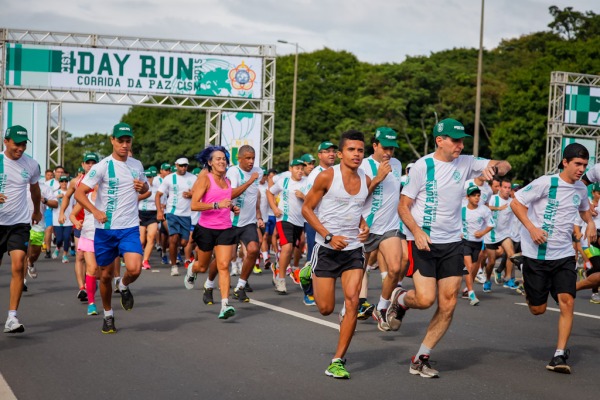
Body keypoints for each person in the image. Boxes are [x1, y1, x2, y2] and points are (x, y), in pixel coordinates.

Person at [389, 118, 510, 378]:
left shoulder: (465, 162)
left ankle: (421, 357)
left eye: (462, 140)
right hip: (424, 241)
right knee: (425, 299)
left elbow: (504, 164)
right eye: (455, 140)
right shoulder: (423, 166)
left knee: (449, 303)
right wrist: (417, 231)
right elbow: (403, 205)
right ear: (439, 140)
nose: (460, 145)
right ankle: (400, 299)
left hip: (453, 242)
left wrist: (496, 170)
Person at [511, 143, 594, 374]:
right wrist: (531, 228)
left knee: (567, 301)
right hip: (536, 254)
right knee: (538, 310)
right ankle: (528, 283)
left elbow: (584, 208)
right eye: (577, 164)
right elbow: (516, 203)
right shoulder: (545, 183)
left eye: (585, 166)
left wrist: (590, 223)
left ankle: (559, 355)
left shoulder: (580, 190)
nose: (581, 169)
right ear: (565, 162)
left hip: (564, 255)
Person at [302, 129, 370, 379]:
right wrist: (329, 236)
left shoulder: (366, 178)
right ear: (340, 154)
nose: (356, 154)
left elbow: (357, 208)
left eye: (360, 150)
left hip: (353, 250)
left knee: (353, 302)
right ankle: (307, 273)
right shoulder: (327, 177)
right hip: (327, 249)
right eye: (351, 150)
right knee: (326, 309)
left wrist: (364, 225)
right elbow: (307, 210)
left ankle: (338, 360)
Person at [75, 122, 149, 334]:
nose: (125, 145)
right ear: (113, 141)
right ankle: (108, 315)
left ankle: (123, 285)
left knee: (134, 268)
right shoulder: (102, 166)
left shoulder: (137, 165)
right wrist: (95, 212)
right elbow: (80, 193)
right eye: (121, 141)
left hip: (129, 227)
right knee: (105, 275)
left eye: (128, 141)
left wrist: (143, 187)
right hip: (106, 229)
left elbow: (147, 190)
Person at [359, 127, 403, 331]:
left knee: (395, 269)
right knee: (358, 274)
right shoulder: (363, 165)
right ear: (375, 145)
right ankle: (348, 310)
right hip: (365, 226)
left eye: (392, 149)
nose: (389, 153)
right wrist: (378, 178)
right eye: (385, 147)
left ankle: (382, 308)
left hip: (389, 227)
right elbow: (358, 197)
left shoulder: (397, 164)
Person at [189, 146, 240, 319]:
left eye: (224, 158)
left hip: (225, 228)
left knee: (224, 265)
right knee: (202, 267)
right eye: (217, 159)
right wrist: (217, 205)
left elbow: (225, 201)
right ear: (210, 163)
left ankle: (225, 305)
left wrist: (232, 207)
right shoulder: (205, 179)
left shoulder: (228, 182)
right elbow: (194, 205)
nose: (222, 161)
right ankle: (192, 268)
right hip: (206, 229)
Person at [1, 125, 42, 333]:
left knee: (18, 265)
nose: (21, 148)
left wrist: (36, 211)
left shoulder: (32, 165)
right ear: (6, 141)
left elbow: (35, 189)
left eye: (24, 144)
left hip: (19, 223)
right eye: (17, 143)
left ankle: (12, 318)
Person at [299, 141, 338, 304]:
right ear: (319, 155)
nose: (331, 154)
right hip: (315, 222)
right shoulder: (316, 174)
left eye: (333, 151)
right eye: (326, 151)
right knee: (313, 259)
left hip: (332, 222)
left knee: (330, 258)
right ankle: (308, 290)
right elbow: (308, 200)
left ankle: (321, 289)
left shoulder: (336, 172)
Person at [58, 152, 100, 300]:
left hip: (99, 223)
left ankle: (92, 278)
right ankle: (82, 287)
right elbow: (67, 197)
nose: (90, 165)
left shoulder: (101, 181)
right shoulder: (76, 181)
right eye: (87, 163)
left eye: (93, 163)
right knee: (80, 255)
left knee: (97, 263)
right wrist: (62, 212)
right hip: (81, 222)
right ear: (83, 165)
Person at [224, 145, 262, 302]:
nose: (251, 161)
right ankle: (209, 282)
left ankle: (240, 286)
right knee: (226, 258)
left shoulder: (258, 172)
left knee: (253, 250)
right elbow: (231, 193)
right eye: (247, 158)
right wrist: (249, 181)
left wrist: (258, 215)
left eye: (253, 158)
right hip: (230, 221)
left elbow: (256, 196)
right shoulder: (233, 171)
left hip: (248, 222)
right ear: (239, 159)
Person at [267, 158, 308, 295]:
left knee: (290, 250)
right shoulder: (284, 181)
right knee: (287, 247)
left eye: (302, 168)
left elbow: (314, 201)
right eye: (297, 168)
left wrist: (303, 196)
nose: (300, 171)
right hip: (284, 218)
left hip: (299, 221)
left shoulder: (307, 183)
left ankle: (278, 266)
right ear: (291, 169)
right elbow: (269, 192)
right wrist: (274, 208)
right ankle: (281, 279)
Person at [156, 157, 197, 277]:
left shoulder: (193, 178)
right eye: (181, 165)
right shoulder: (169, 178)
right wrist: (159, 211)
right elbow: (158, 195)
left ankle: (177, 251)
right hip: (172, 212)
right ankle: (174, 266)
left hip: (186, 215)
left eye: (185, 166)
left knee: (184, 242)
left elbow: (201, 193)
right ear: (176, 165)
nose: (183, 168)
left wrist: (192, 194)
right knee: (173, 238)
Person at [461, 186, 495, 305]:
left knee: (474, 269)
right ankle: (471, 294)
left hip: (477, 243)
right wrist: (458, 232)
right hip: (464, 241)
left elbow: (491, 224)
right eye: (474, 195)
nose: (476, 198)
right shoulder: (462, 209)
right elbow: (454, 221)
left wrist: (482, 233)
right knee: (469, 267)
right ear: (467, 197)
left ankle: (467, 289)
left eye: (478, 195)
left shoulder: (484, 210)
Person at [483, 178, 519, 291]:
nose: (507, 190)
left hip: (505, 234)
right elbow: (485, 207)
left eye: (509, 188)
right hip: (491, 234)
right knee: (491, 262)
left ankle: (509, 279)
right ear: (500, 188)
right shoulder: (494, 199)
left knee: (511, 254)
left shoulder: (512, 202)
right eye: (505, 187)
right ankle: (488, 280)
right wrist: (498, 208)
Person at [139, 168, 159, 270]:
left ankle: (145, 260)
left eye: (150, 177)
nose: (148, 179)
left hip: (152, 214)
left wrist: (160, 212)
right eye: (147, 177)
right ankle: (137, 257)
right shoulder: (139, 188)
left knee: (151, 237)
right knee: (141, 240)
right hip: (140, 213)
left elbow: (159, 200)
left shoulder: (156, 188)